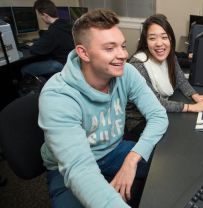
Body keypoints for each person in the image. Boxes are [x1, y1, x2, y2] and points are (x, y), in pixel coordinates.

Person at [38, 9, 168, 208]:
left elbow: (158, 115)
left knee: (169, 168)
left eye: (123, 46)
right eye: (110, 48)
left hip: (114, 150)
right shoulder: (58, 96)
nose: (123, 55)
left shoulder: (127, 73)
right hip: (67, 167)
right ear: (83, 53)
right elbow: (80, 170)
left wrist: (132, 159)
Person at [126, 14, 203, 133]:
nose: (159, 43)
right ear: (145, 42)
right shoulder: (138, 64)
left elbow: (180, 79)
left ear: (170, 39)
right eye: (152, 38)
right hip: (139, 120)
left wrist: (196, 96)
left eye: (164, 37)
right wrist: (191, 107)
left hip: (159, 111)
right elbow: (155, 102)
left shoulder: (170, 57)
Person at [21, 0, 74, 77]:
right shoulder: (67, 24)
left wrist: (32, 45)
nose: (41, 18)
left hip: (62, 64)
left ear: (45, 15)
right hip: (71, 62)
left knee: (24, 69)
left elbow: (36, 50)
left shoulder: (53, 31)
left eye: (40, 16)